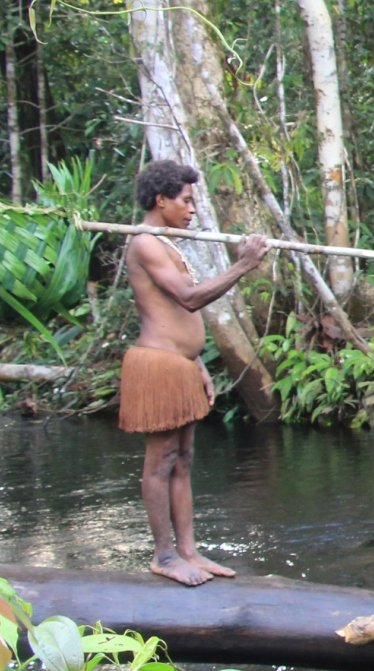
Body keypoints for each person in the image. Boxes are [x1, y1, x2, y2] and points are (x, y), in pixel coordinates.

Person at [120, 160, 267, 587]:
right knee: (160, 461)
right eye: (185, 201)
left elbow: (173, 314)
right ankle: (164, 555)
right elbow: (186, 299)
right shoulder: (146, 242)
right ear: (160, 199)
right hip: (158, 366)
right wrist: (243, 265)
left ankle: (187, 550)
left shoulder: (170, 244)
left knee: (183, 460)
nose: (192, 209)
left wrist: (197, 362)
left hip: (181, 364)